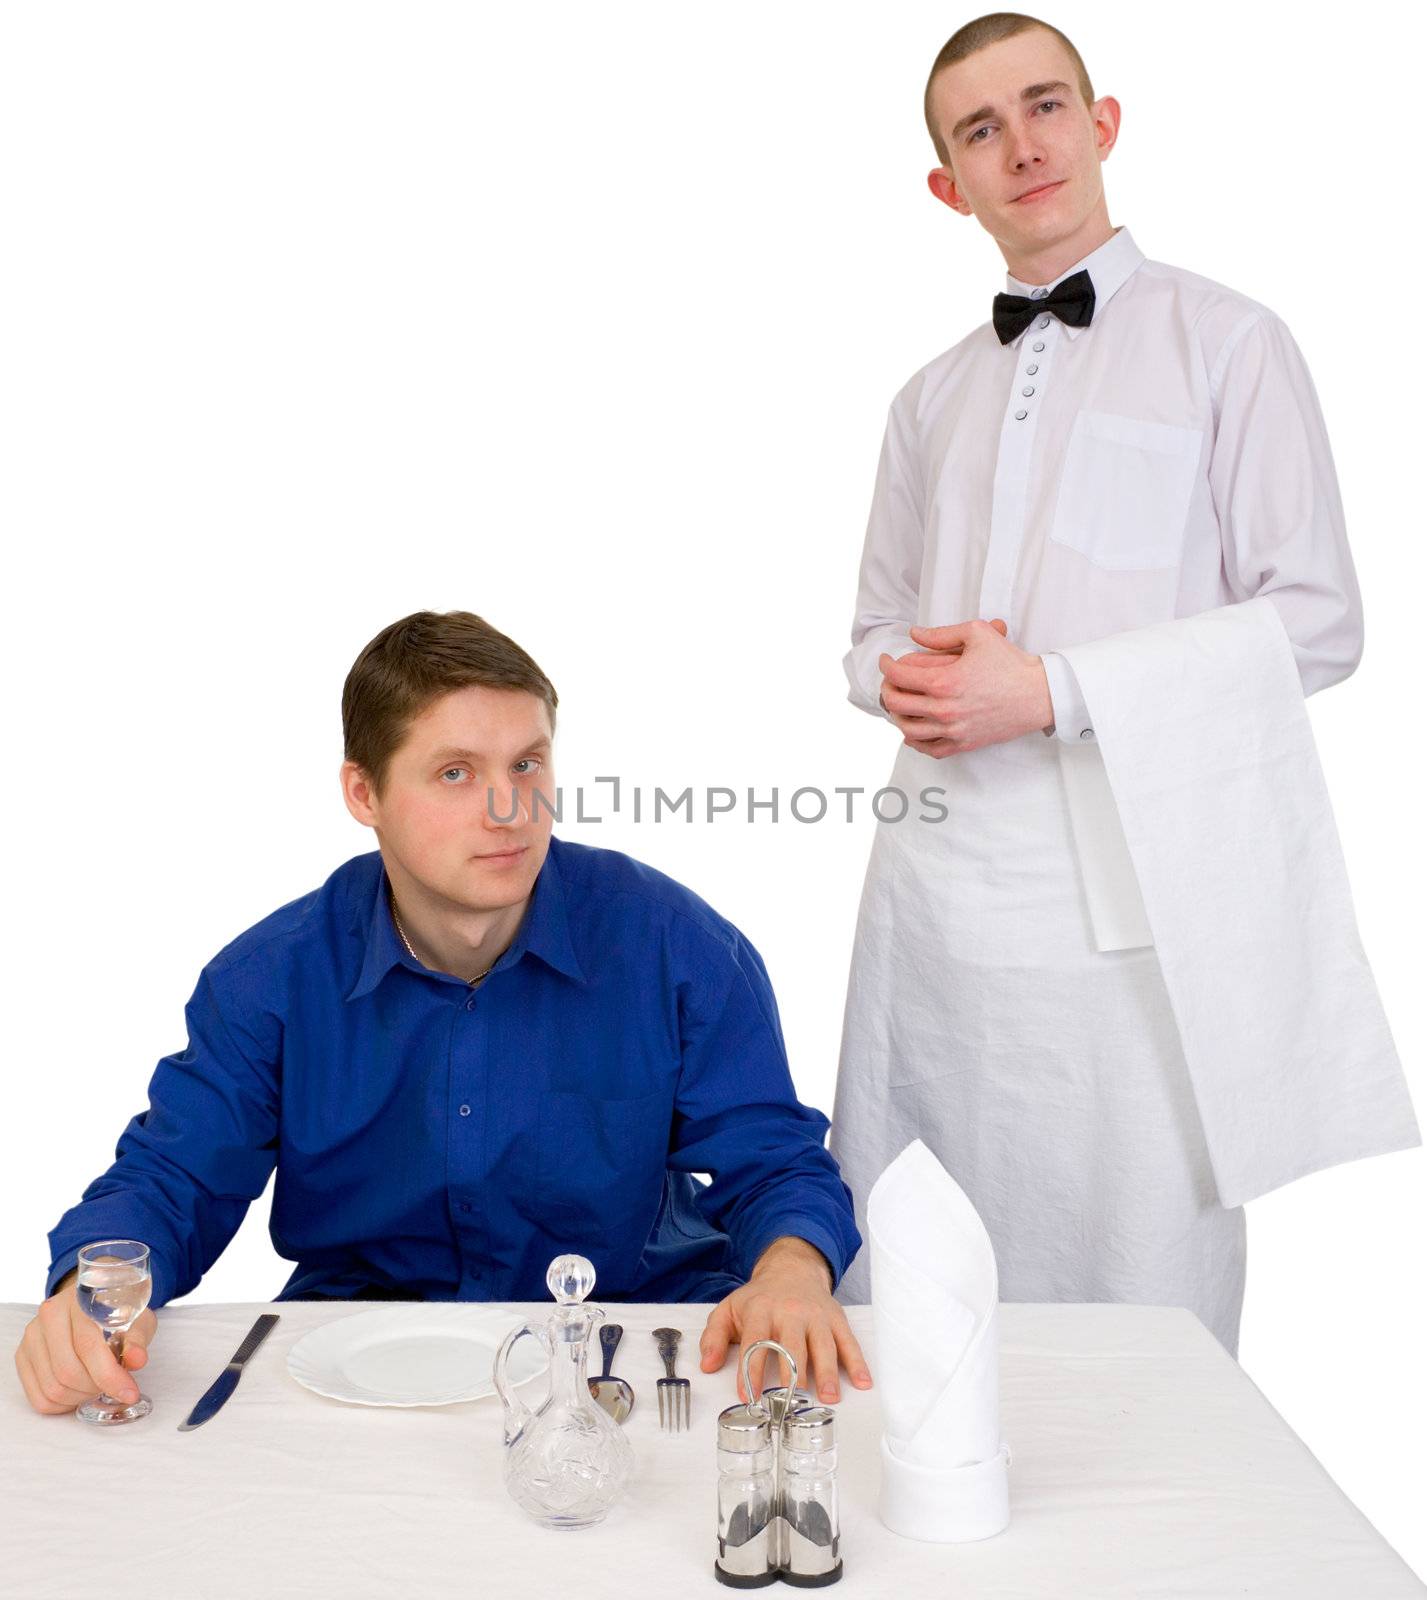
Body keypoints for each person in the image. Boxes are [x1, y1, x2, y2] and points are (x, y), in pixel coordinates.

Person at [830, 13, 1418, 1353]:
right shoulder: (923, 399)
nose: (1018, 144)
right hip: (934, 896)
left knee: (1136, 1246)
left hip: (1140, 895)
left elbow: (1318, 621)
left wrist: (1049, 691)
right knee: (925, 1228)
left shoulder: (1229, 343)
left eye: (1043, 107)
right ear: (945, 184)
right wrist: (906, 679)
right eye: (977, 129)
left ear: (1102, 125)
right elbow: (866, 633)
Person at [16, 610, 871, 1416]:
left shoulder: (672, 943)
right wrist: (87, 1297)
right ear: (364, 792)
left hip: (628, 1334)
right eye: (455, 773)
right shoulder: (267, 980)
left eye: (527, 765)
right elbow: (172, 1179)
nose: (507, 809)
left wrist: (793, 1267)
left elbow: (774, 1160)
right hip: (363, 1347)